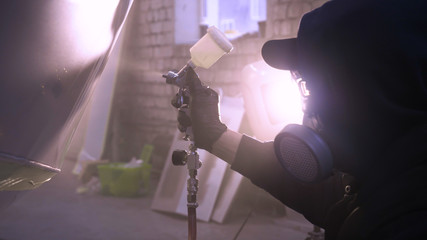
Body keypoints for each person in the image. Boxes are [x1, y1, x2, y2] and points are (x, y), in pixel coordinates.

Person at [177, 0, 427, 239]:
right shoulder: (393, 177)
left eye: (312, 84)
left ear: (367, 92)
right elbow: (332, 196)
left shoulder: (406, 223)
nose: (310, 106)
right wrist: (215, 135)